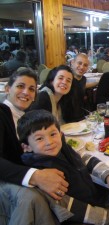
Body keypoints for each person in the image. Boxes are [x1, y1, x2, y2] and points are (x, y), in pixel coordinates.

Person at [18, 109, 109, 225]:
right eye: (39, 138)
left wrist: (108, 173)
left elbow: (84, 158)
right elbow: (67, 206)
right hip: (82, 217)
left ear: (60, 135)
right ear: (26, 147)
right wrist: (108, 217)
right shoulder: (44, 173)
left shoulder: (61, 149)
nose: (49, 142)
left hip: (93, 197)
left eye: (52, 134)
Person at [0, 68, 69, 224]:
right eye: (20, 86)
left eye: (31, 89)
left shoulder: (25, 116)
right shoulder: (2, 113)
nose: (26, 92)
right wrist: (35, 176)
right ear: (7, 89)